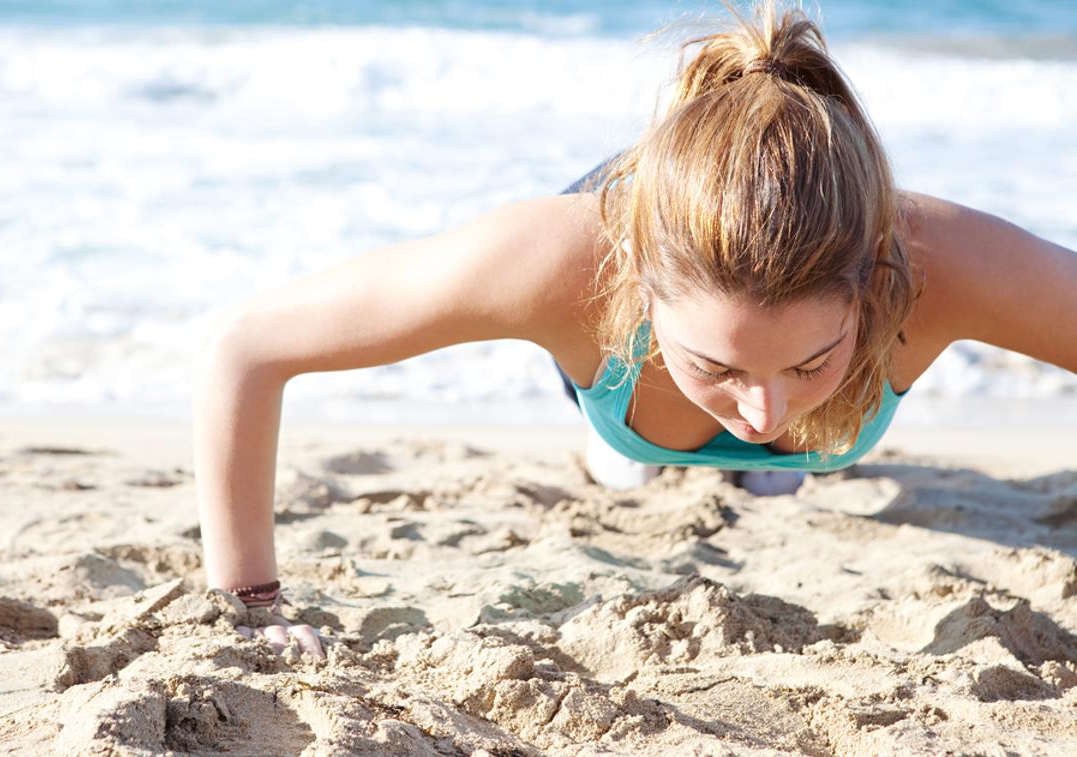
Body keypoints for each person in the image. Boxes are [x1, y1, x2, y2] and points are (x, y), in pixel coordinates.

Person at [190, 1, 1077, 659]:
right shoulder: (557, 265)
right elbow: (247, 346)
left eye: (811, 361)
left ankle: (758, 435)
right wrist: (252, 601)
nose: (762, 411)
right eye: (716, 365)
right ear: (640, 292)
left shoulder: (938, 264)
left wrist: (756, 380)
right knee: (631, 456)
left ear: (873, 290)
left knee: (782, 462)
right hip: (618, 341)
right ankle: (631, 431)